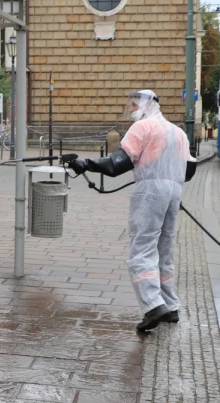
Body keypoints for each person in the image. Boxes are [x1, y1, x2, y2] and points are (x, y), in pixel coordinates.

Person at [67, 90, 195, 332]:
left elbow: (118, 163)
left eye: (136, 104)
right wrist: (169, 180)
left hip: (149, 190)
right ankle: (171, 306)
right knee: (164, 249)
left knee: (142, 248)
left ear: (148, 105)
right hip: (174, 190)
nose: (133, 108)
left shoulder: (143, 127)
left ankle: (153, 306)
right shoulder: (178, 132)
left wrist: (85, 164)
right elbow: (190, 170)